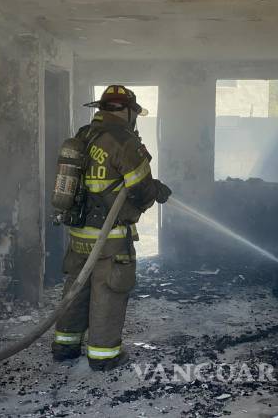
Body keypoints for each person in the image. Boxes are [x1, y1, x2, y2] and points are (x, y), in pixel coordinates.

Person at [51, 85, 172, 371]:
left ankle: (65, 346)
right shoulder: (124, 141)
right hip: (111, 236)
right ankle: (104, 356)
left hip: (79, 235)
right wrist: (156, 190)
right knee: (108, 290)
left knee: (76, 289)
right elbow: (141, 191)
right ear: (127, 112)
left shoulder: (84, 135)